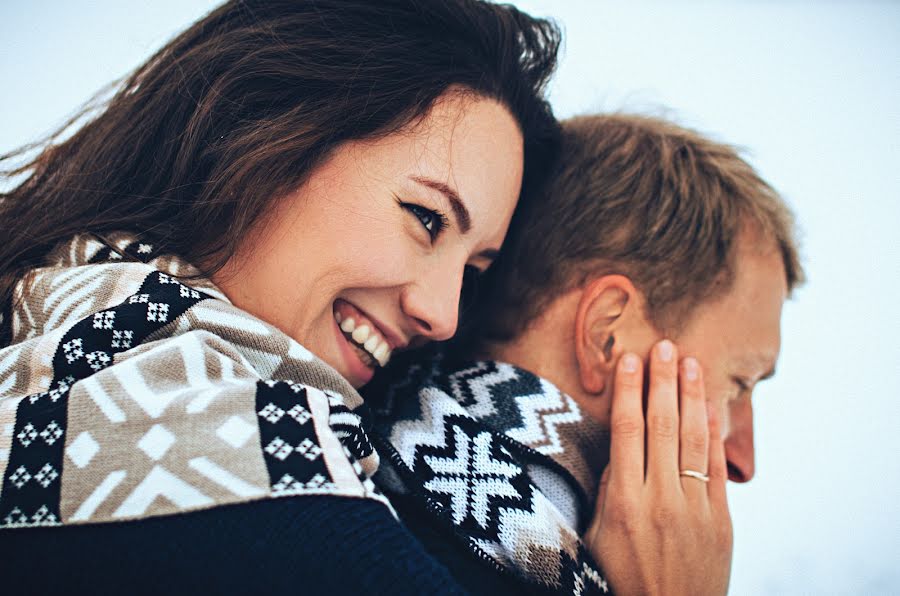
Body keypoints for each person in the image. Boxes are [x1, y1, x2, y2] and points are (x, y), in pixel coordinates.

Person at [0, 1, 563, 593]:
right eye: (426, 218)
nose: (443, 316)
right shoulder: (275, 490)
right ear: (255, 131)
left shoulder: (43, 341)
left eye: (471, 273)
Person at [368, 113, 804, 595]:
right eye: (739, 382)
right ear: (606, 335)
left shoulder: (358, 466)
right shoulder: (356, 546)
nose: (744, 460)